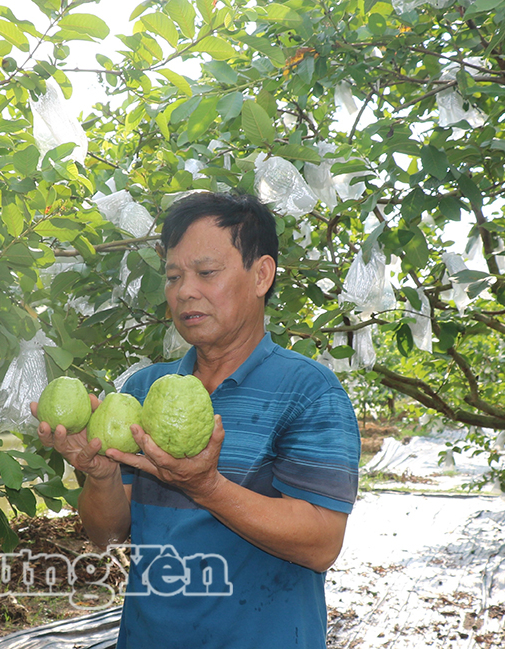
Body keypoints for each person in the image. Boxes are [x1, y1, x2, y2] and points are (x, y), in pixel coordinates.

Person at [31, 192, 360, 648]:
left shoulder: (309, 393)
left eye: (206, 272)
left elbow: (322, 543)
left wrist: (207, 487)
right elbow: (106, 535)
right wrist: (101, 476)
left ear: (262, 274)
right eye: (173, 276)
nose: (184, 290)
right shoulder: (144, 390)